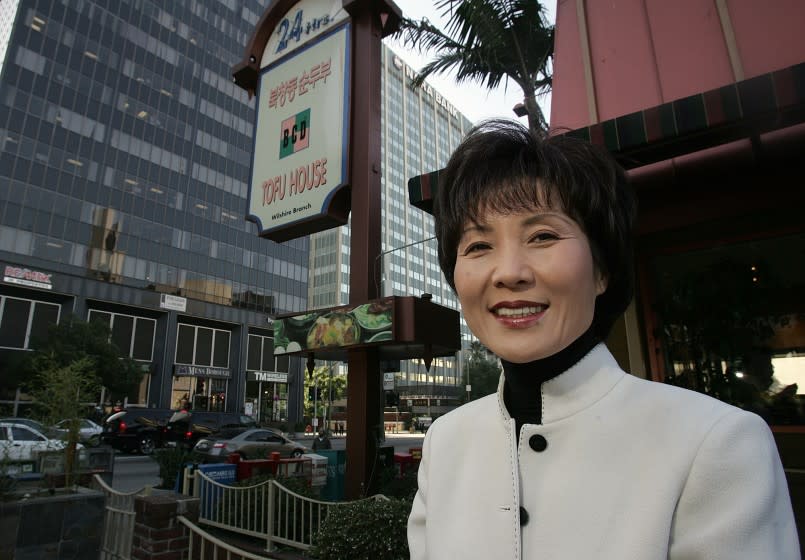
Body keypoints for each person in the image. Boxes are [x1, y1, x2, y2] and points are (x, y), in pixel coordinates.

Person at [407, 119, 799, 559]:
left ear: (601, 270)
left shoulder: (715, 443)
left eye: (543, 236)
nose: (509, 272)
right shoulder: (446, 443)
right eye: (479, 246)